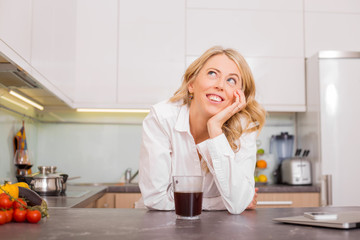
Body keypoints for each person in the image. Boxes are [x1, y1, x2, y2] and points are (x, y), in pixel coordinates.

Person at [138, 46, 266, 214]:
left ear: (239, 96)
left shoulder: (244, 127)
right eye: (212, 74)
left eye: (231, 80)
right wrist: (219, 202)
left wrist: (215, 130)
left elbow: (237, 204)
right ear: (191, 84)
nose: (220, 85)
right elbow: (156, 199)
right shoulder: (161, 118)